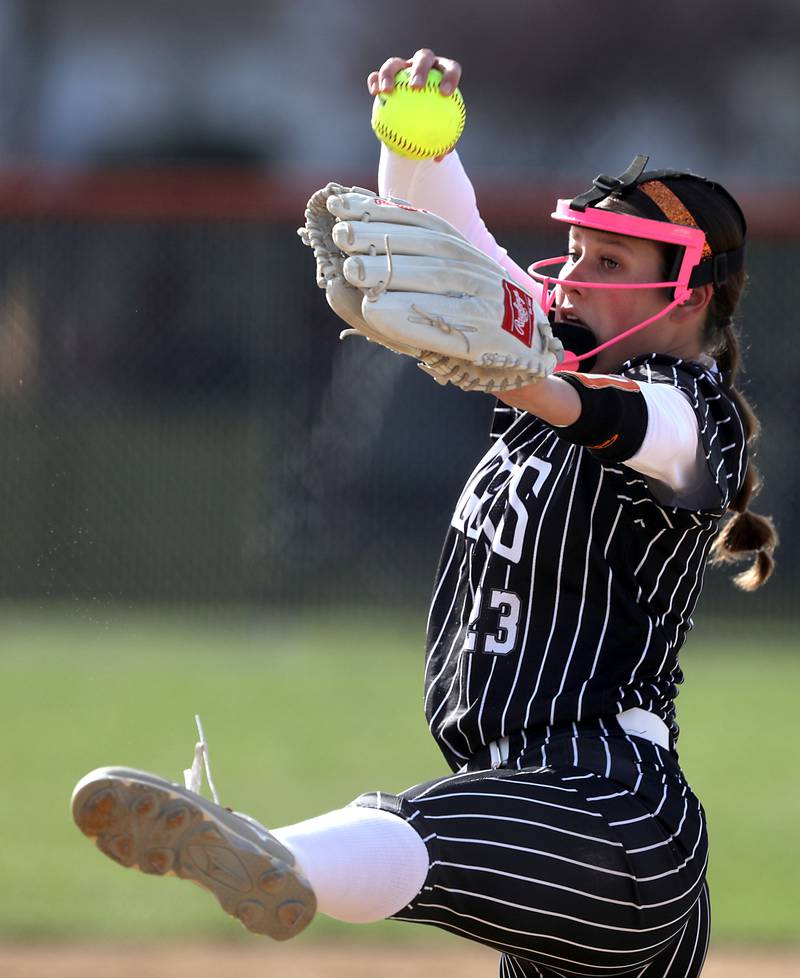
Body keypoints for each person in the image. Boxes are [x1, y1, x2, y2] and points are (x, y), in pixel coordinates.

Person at [71, 50, 777, 977]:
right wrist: (415, 136)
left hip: (613, 816)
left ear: (686, 290)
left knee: (411, 826)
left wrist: (536, 383)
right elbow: (449, 238)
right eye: (573, 250)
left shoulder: (697, 411)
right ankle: (263, 851)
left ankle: (265, 852)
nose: (570, 275)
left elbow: (641, 424)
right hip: (530, 830)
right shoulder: (550, 354)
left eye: (609, 260)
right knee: (442, 820)